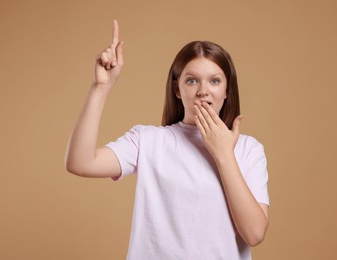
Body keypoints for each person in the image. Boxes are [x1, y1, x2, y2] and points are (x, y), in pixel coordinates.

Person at [65, 20, 269, 260]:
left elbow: (254, 234)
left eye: (215, 81)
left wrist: (224, 154)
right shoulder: (149, 141)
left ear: (227, 90)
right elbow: (80, 163)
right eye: (192, 80)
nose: (203, 90)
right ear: (177, 89)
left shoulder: (248, 149)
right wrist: (100, 87)